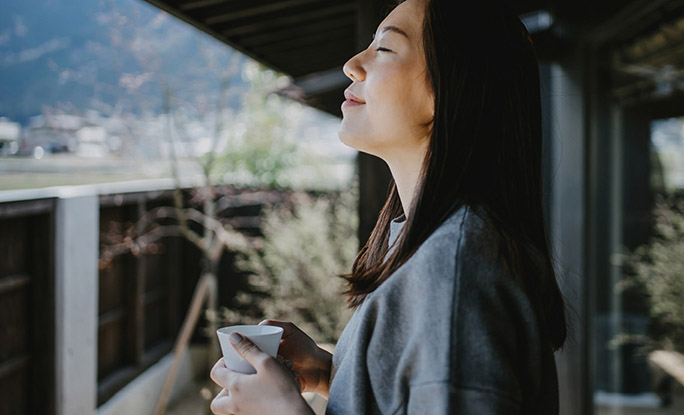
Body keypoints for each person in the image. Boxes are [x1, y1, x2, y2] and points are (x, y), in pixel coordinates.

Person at [209, 0, 567, 413]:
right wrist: (331, 372)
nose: (351, 64)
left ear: (449, 86)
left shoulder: (453, 269)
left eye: (384, 49)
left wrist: (283, 410)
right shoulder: (436, 245)